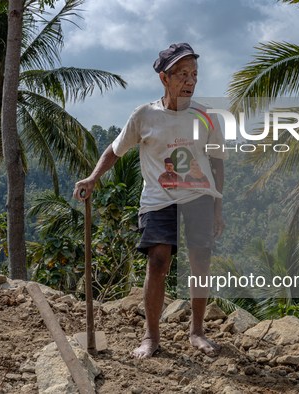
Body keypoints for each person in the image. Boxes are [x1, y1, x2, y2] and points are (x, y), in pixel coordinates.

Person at [74, 43, 228, 359]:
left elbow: (217, 162)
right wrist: (93, 177)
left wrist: (218, 207)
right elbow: (115, 150)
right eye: (182, 74)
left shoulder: (206, 116)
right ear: (164, 78)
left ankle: (197, 332)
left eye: (194, 74)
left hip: (199, 194)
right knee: (158, 261)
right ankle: (151, 336)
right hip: (159, 197)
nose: (190, 80)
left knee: (200, 260)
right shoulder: (144, 115)